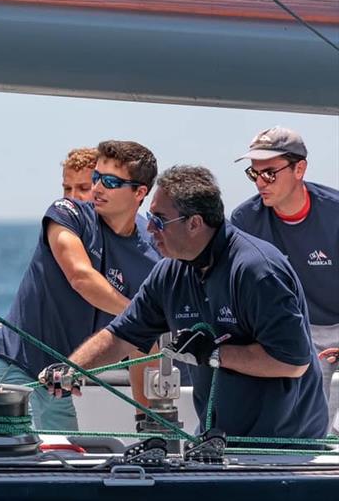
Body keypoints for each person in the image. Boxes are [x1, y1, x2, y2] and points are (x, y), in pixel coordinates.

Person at [40, 166, 328, 443]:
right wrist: (73, 368)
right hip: (220, 440)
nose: (150, 228)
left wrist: (215, 354)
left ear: (195, 223)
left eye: (160, 220)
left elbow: (293, 361)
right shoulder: (170, 273)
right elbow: (121, 336)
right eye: (150, 217)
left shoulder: (256, 271)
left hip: (286, 447)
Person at [0, 140, 161, 431]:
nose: (96, 188)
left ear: (140, 192)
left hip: (58, 383)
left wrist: (148, 424)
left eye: (109, 181)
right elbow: (81, 278)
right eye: (96, 178)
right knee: (18, 466)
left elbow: (142, 342)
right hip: (17, 369)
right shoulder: (68, 213)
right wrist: (139, 315)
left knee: (64, 468)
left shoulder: (152, 250)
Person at [231, 126, 339, 436]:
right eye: (255, 175)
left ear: (300, 169)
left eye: (270, 174)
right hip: (293, 330)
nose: (261, 183)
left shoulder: (335, 212)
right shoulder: (244, 221)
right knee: (310, 426)